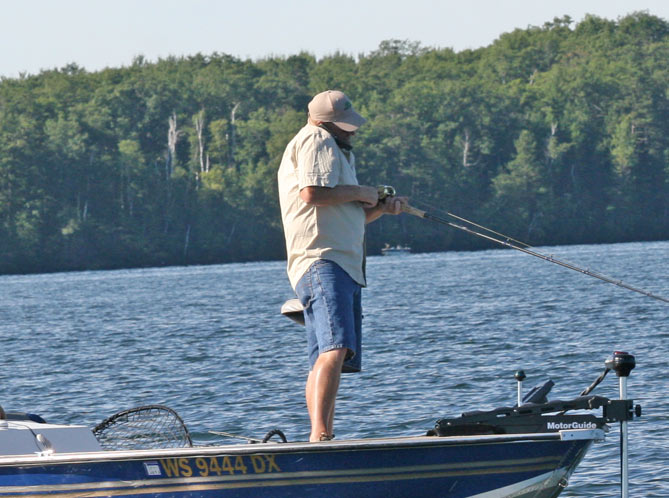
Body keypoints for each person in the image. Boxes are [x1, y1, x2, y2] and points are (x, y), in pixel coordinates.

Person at [277, 90, 406, 442]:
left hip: (340, 264)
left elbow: (347, 216)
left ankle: (322, 435)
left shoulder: (335, 148)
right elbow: (311, 193)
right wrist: (362, 192)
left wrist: (381, 208)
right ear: (324, 122)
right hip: (323, 260)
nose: (353, 131)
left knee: (328, 353)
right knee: (335, 348)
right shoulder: (316, 139)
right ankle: (320, 436)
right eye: (345, 126)